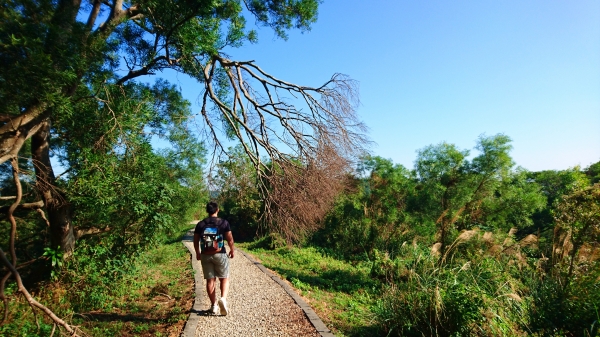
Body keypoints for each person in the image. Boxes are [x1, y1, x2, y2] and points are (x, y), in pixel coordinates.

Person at [193, 202, 235, 315]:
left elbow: (196, 240)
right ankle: (223, 299)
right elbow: (230, 239)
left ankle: (214, 306)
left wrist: (197, 252)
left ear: (207, 211)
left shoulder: (201, 224)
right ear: (217, 210)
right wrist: (232, 249)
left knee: (210, 280)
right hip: (220, 254)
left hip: (206, 255)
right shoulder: (223, 223)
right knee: (224, 277)